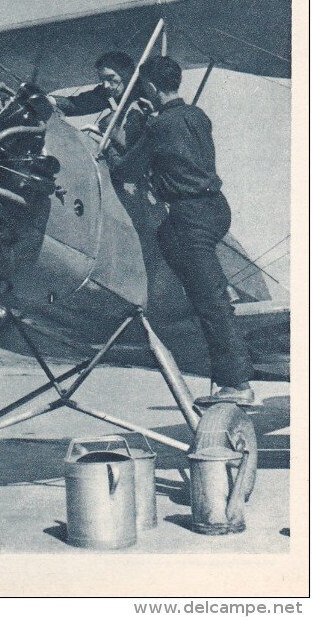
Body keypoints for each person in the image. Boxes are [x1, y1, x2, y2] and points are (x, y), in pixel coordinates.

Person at [109, 55, 254, 404]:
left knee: (211, 301)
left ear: (152, 88)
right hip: (215, 207)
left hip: (190, 214)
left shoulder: (159, 127)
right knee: (170, 245)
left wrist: (120, 141)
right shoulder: (197, 116)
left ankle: (237, 385)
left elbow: (128, 170)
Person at [49, 51, 152, 150]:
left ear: (127, 73)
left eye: (110, 78)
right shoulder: (107, 91)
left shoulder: (148, 91)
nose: (106, 85)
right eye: (102, 80)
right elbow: (79, 103)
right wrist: (49, 100)